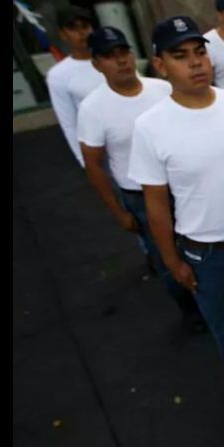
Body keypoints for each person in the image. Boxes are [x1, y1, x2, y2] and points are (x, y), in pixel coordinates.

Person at [128, 15, 224, 414]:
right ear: (160, 65)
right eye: (181, 56)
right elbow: (155, 203)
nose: (196, 63)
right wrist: (172, 260)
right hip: (205, 254)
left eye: (200, 53)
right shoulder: (150, 126)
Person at [76, 26, 205, 333]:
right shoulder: (92, 109)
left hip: (181, 184)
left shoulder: (160, 89)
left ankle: (209, 298)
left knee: (199, 247)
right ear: (96, 64)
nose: (121, 61)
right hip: (140, 195)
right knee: (166, 258)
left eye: (124, 52)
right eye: (110, 56)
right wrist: (118, 211)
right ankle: (190, 311)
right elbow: (94, 165)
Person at [46, 6, 103, 166]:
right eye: (73, 28)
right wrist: (85, 161)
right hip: (100, 148)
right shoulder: (58, 74)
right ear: (63, 34)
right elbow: (68, 122)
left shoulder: (113, 59)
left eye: (85, 27)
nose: (82, 33)